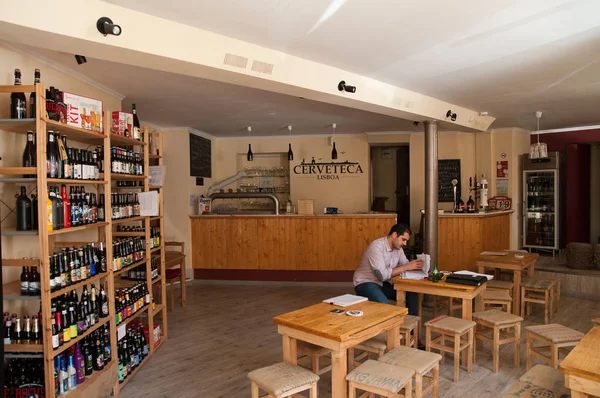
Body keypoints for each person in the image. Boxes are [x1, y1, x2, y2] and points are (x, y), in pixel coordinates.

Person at [353, 223, 422, 315]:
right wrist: (406, 267)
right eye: (403, 239)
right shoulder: (376, 247)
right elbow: (382, 275)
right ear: (394, 235)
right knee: (383, 303)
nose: (405, 244)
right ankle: (387, 328)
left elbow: (405, 264)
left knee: (411, 293)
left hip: (383, 283)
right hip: (366, 282)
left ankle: (410, 328)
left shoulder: (398, 248)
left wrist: (420, 265)